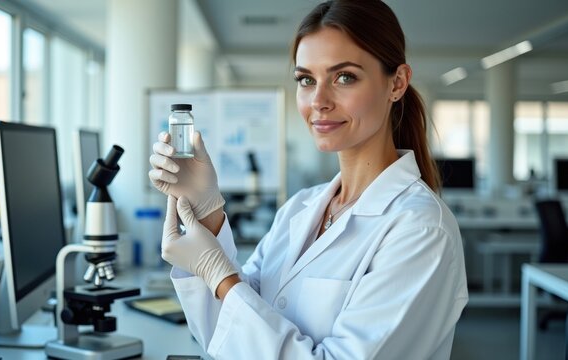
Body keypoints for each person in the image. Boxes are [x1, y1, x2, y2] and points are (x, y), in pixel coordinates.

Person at [148, 0, 468, 358]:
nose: (319, 100)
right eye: (306, 79)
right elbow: (226, 333)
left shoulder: (421, 229)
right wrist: (206, 215)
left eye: (344, 77)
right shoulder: (300, 207)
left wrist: (220, 276)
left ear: (397, 83)